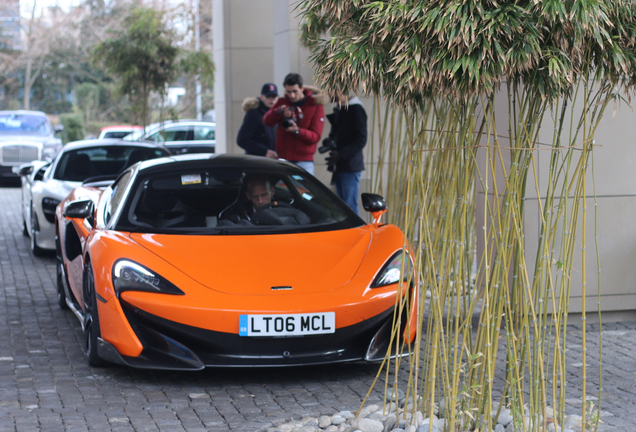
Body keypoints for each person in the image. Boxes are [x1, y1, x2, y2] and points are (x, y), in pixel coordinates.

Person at [263, 73, 326, 175]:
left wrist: (297, 131)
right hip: (283, 158)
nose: (292, 95)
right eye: (288, 92)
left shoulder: (315, 105)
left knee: (304, 190)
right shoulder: (282, 102)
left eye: (295, 91)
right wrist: (278, 111)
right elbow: (266, 121)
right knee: (282, 190)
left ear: (302, 88)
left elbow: (315, 137)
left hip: (304, 161)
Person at [323, 93, 367, 214]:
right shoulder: (339, 108)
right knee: (341, 205)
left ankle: (355, 232)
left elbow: (361, 140)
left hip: (350, 165)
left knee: (350, 205)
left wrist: (341, 154)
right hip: (339, 165)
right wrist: (330, 140)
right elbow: (337, 133)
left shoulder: (356, 109)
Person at [236, 83, 279, 158]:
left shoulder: (277, 114)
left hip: (273, 160)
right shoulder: (254, 114)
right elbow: (242, 140)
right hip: (257, 161)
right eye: (268, 96)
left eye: (274, 97)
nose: (272, 100)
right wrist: (264, 151)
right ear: (262, 97)